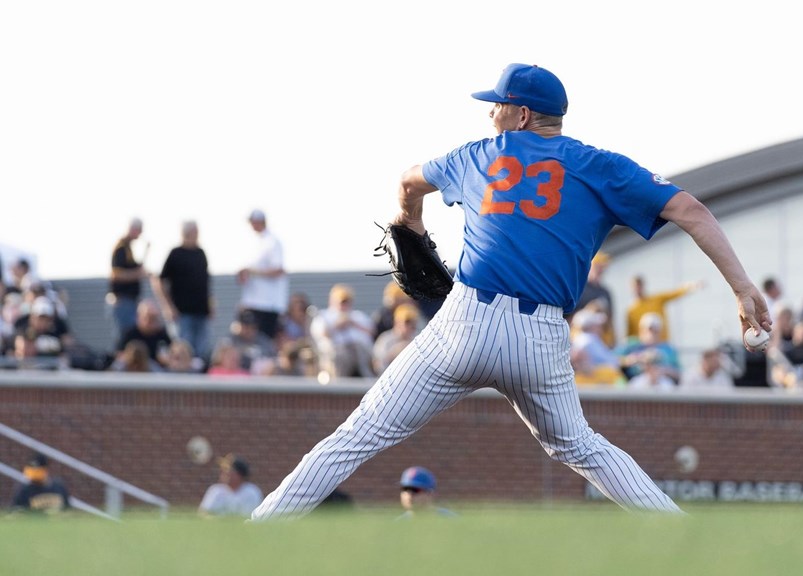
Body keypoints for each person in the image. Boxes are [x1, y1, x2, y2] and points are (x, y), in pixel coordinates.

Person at [250, 62, 770, 521]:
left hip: (465, 324)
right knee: (582, 448)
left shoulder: (479, 154)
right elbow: (691, 211)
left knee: (357, 436)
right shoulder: (599, 165)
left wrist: (409, 222)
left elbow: (407, 181)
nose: (490, 114)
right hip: (539, 337)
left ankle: (261, 529)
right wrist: (742, 287)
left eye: (497, 105)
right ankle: (682, 532)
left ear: (521, 115)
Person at [154, 220, 213, 361]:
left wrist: (210, 304)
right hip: (182, 313)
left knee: (201, 353)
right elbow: (160, 281)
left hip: (201, 312)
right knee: (183, 350)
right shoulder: (175, 254)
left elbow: (205, 283)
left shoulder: (201, 253)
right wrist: (168, 307)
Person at [237, 209, 288, 340]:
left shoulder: (272, 242)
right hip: (253, 302)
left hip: (267, 304)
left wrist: (252, 271)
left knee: (265, 339)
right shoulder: (254, 242)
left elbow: (278, 270)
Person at [310, 284, 376, 378]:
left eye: (346, 301)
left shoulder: (357, 315)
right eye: (341, 302)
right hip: (336, 352)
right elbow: (322, 334)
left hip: (359, 351)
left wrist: (353, 323)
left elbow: (372, 332)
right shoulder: (324, 316)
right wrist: (338, 325)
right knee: (340, 355)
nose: (344, 305)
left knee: (362, 353)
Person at [624, 274, 703, 341]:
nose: (637, 289)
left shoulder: (656, 300)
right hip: (643, 347)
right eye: (635, 287)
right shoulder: (631, 310)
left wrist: (692, 286)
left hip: (663, 342)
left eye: (639, 286)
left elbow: (674, 293)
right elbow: (630, 335)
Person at [108, 217, 149, 342]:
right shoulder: (121, 247)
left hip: (130, 300)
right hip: (123, 300)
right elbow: (116, 274)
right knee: (125, 336)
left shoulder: (128, 248)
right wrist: (137, 274)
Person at [572, 251, 616, 347]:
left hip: (603, 341)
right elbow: (571, 318)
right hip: (583, 342)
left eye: (602, 267)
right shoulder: (579, 289)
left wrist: (613, 342)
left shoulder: (605, 292)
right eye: (597, 266)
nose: (600, 270)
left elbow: (610, 321)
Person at [115, 298, 173, 370]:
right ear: (139, 317)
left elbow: (171, 351)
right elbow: (119, 353)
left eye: (154, 318)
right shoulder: (130, 333)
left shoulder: (161, 333)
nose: (152, 322)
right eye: (148, 318)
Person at [199, 454, 263, 518]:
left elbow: (258, 517)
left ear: (239, 474)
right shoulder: (216, 490)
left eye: (227, 470)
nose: (223, 473)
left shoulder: (252, 492)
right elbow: (203, 513)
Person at [372, 302, 421, 375]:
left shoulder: (418, 338)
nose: (411, 325)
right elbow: (378, 366)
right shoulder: (385, 339)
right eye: (407, 322)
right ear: (397, 322)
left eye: (413, 322)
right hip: (389, 379)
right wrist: (394, 353)